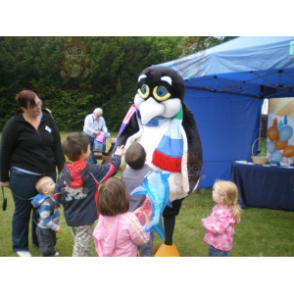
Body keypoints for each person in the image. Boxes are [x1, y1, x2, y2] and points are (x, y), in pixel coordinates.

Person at [0, 90, 65, 257]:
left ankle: (40, 242)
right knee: (23, 211)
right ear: (23, 108)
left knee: (45, 210)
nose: (39, 106)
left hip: (47, 174)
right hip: (23, 175)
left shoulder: (47, 118)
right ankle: (20, 247)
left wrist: (62, 170)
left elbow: (57, 145)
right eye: (34, 105)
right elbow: (4, 151)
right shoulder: (13, 125)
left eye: (39, 102)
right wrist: (3, 178)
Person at [54, 133, 125, 257]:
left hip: (70, 216)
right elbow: (111, 169)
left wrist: (71, 199)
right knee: (81, 249)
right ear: (83, 152)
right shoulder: (92, 170)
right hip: (86, 219)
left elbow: (57, 195)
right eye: (89, 147)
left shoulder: (63, 173)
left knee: (81, 244)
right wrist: (117, 156)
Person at [93, 177, 151, 257]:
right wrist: (148, 225)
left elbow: (115, 224)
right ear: (123, 197)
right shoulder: (130, 220)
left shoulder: (103, 217)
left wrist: (132, 215)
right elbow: (142, 239)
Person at [121, 142, 155, 257]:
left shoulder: (125, 174)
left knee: (130, 248)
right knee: (146, 248)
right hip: (145, 222)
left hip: (128, 219)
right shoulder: (151, 173)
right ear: (145, 158)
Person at [201, 180, 242, 257]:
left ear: (222, 198)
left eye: (214, 191)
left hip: (218, 246)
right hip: (224, 245)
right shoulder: (229, 208)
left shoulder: (223, 213)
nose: (212, 192)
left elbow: (218, 229)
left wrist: (205, 222)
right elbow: (237, 220)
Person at [31, 176, 61, 257]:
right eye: (51, 184)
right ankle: (45, 254)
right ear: (45, 191)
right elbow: (45, 218)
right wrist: (54, 226)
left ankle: (51, 251)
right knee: (45, 245)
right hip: (44, 228)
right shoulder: (46, 203)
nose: (54, 184)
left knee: (52, 241)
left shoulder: (52, 197)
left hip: (50, 227)